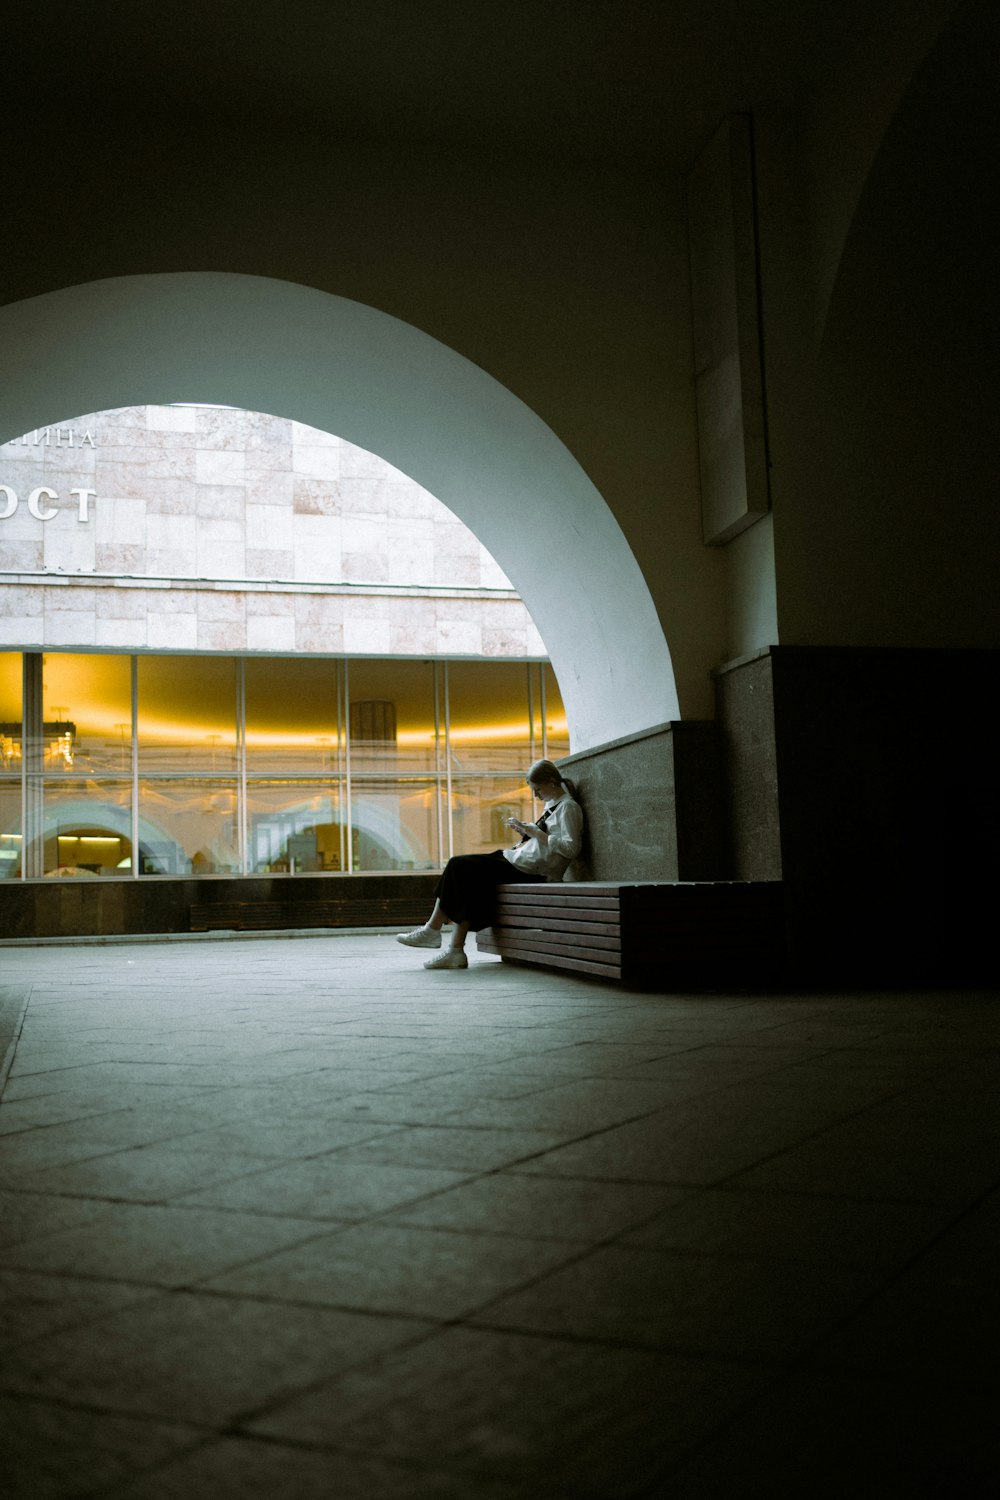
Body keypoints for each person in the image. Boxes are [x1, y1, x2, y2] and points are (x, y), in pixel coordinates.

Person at [396, 759, 583, 970]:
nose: (535, 795)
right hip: (516, 860)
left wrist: (536, 833)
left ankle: (434, 932)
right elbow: (545, 843)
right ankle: (452, 949)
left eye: (537, 789)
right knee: (462, 873)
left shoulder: (569, 808)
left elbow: (571, 848)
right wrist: (526, 832)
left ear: (551, 782)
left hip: (531, 871)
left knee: (459, 865)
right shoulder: (553, 805)